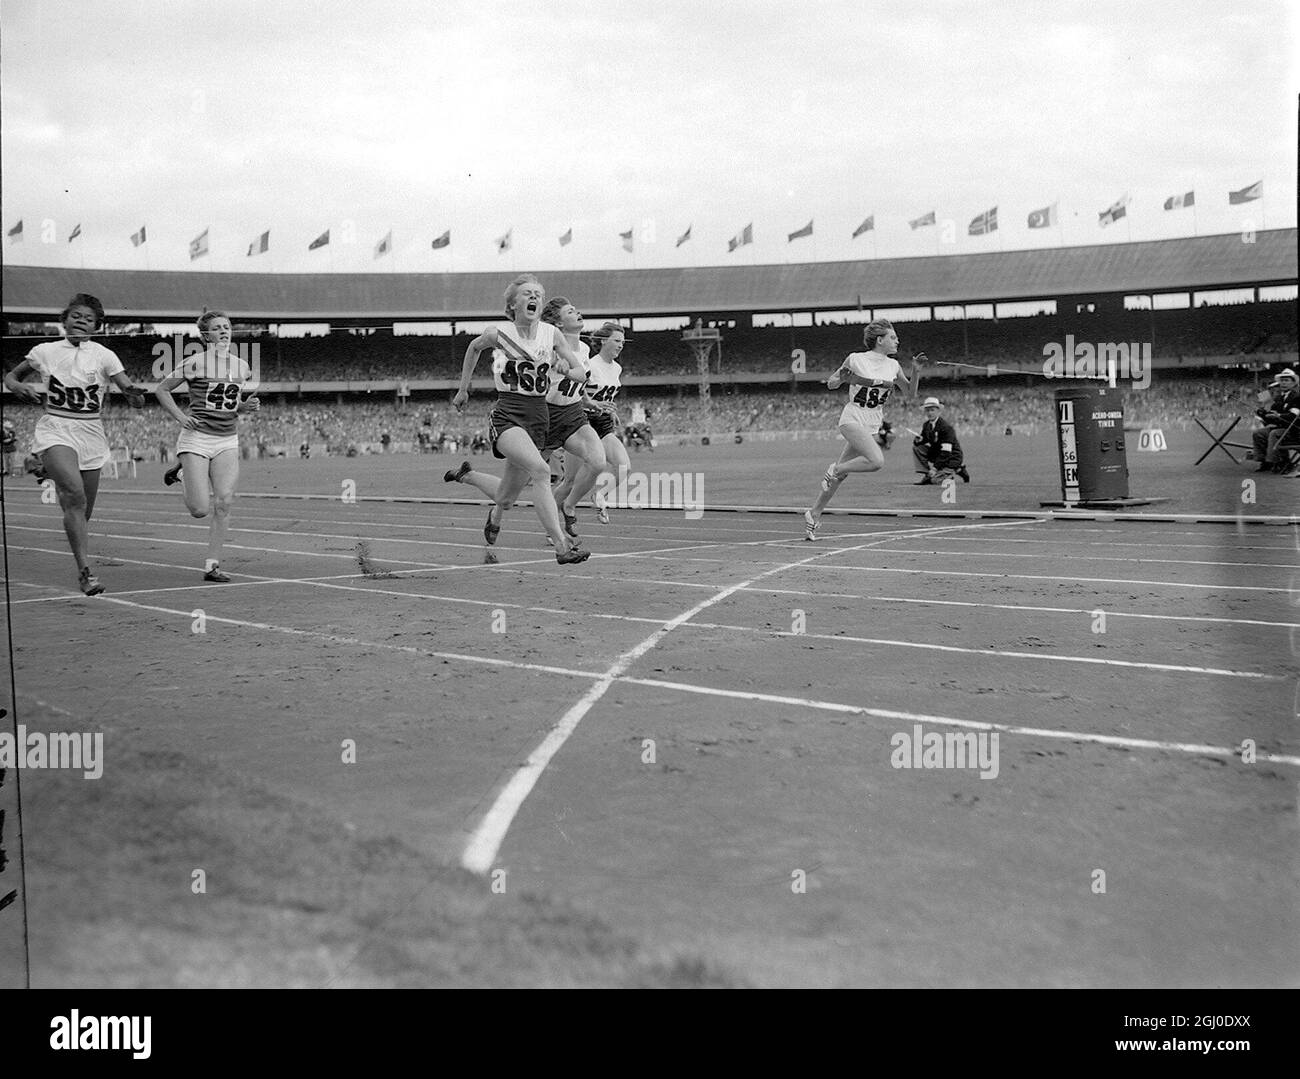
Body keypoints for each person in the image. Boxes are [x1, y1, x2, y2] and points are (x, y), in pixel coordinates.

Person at [2, 292, 147, 594]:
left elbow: (129, 392)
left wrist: (135, 395)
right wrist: (17, 387)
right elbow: (12, 377)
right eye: (76, 316)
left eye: (89, 319)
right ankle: (86, 572)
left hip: (91, 432)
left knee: (81, 511)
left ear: (97, 326)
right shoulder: (44, 350)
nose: (81, 321)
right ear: (65, 319)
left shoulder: (105, 355)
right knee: (74, 494)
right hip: (56, 426)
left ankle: (41, 466)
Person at [449, 274, 590, 564]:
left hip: (539, 418)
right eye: (527, 293)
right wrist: (464, 389)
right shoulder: (499, 333)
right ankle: (562, 547)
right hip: (509, 414)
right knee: (540, 471)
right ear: (513, 304)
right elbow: (473, 348)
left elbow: (580, 374)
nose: (534, 297)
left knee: (506, 499)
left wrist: (564, 368)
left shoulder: (552, 335)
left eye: (538, 293)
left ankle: (467, 475)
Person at [154, 309, 259, 582]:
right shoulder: (194, 363)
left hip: (227, 438)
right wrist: (180, 416)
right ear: (204, 335)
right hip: (197, 438)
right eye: (216, 328)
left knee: (224, 502)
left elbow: (226, 401)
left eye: (226, 326)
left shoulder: (242, 366)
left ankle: (212, 565)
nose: (223, 331)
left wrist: (245, 406)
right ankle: (180, 473)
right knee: (199, 509)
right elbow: (161, 390)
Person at [802, 318, 925, 541]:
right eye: (892, 337)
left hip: (872, 422)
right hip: (852, 418)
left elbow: (911, 394)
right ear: (880, 340)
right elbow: (831, 383)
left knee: (842, 476)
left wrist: (915, 371)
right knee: (876, 461)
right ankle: (835, 469)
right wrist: (842, 380)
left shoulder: (893, 366)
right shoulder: (856, 359)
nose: (897, 341)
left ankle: (813, 513)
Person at [554, 321, 629, 526]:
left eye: (623, 341)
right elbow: (577, 389)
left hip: (603, 423)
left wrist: (611, 410)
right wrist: (590, 403)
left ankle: (598, 496)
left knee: (623, 466)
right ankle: (551, 524)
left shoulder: (617, 368)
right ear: (604, 340)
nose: (621, 345)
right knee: (569, 481)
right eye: (617, 341)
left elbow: (608, 394)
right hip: (581, 422)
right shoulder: (591, 364)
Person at [1251, 369, 1300, 475]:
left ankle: (1283, 462)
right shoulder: (1279, 398)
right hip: (1282, 429)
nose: (1283, 383)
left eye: (1286, 380)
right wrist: (1262, 413)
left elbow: (1293, 416)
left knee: (1274, 433)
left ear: (1293, 383)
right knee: (1259, 433)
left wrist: (1279, 416)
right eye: (1282, 381)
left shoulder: (1297, 397)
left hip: (1295, 432)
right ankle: (1265, 462)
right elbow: (1271, 417)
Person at [911, 396, 970, 485]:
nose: (929, 413)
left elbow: (946, 452)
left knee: (935, 481)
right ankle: (927, 473)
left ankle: (955, 470)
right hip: (938, 454)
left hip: (951, 457)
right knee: (917, 448)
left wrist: (934, 468)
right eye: (927, 410)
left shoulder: (946, 428)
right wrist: (917, 441)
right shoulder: (927, 425)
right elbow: (923, 440)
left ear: (938, 411)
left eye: (932, 410)